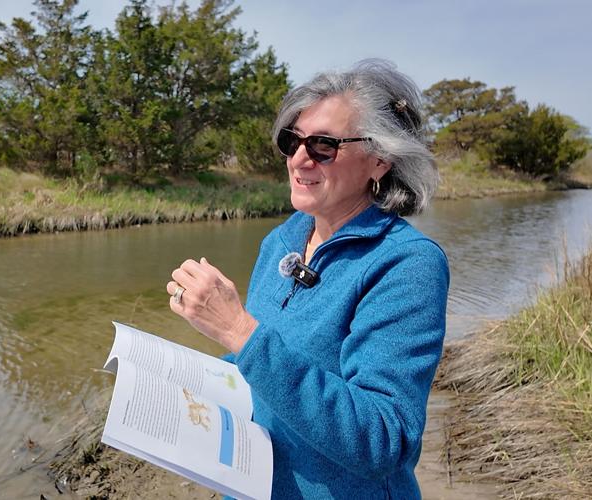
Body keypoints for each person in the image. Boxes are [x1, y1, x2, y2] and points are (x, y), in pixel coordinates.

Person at [166, 59, 448, 499]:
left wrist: (238, 330)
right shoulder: (282, 241)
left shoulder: (407, 265)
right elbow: (266, 364)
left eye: (323, 146)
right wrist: (181, 380)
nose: (299, 158)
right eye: (291, 140)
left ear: (380, 159)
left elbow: (381, 440)